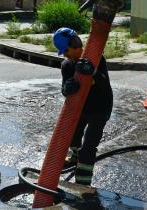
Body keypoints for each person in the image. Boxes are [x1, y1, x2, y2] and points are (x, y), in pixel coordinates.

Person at [53, 27, 113, 186]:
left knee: (88, 147)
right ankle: (75, 156)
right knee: (72, 135)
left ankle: (83, 184)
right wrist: (67, 88)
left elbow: (102, 83)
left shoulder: (97, 59)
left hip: (101, 107)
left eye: (66, 51)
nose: (65, 55)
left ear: (75, 45)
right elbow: (64, 89)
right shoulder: (67, 65)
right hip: (83, 107)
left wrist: (92, 74)